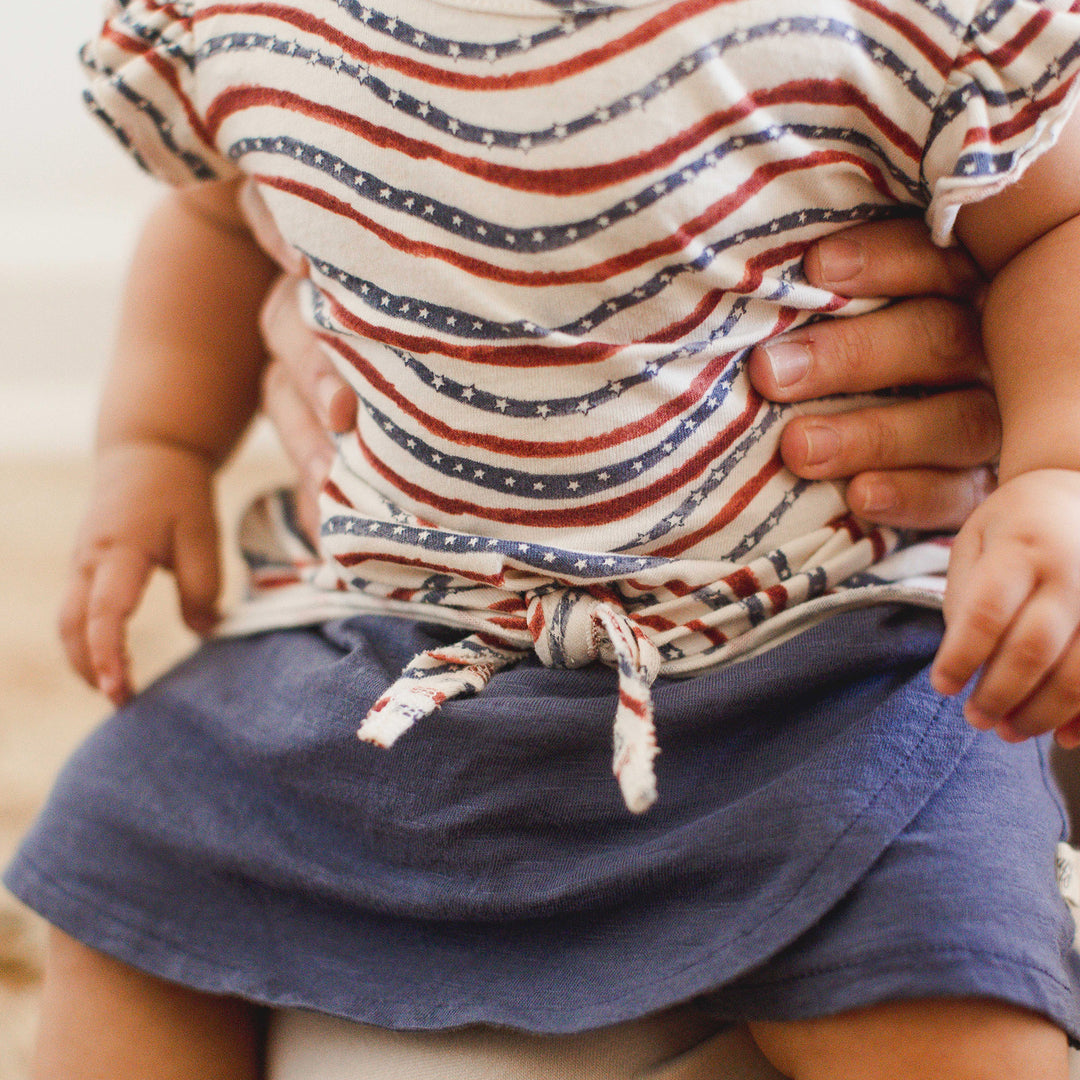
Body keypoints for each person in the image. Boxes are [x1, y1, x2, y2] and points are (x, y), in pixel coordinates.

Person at [7, 1, 1080, 1077]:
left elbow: (1052, 222)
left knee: (949, 964)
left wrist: (1055, 475)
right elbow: (215, 208)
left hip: (812, 665)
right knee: (129, 860)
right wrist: (154, 447)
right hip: (395, 647)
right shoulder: (247, 18)